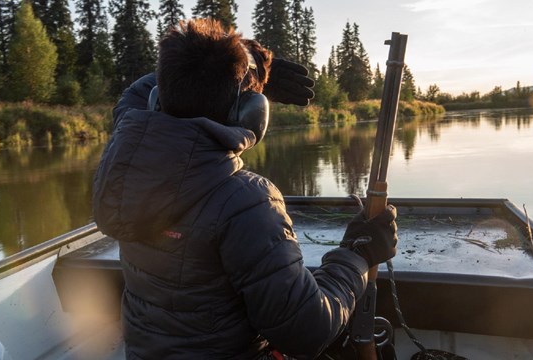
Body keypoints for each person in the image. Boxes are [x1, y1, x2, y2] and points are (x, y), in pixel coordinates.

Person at [92, 18, 398, 360]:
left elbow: (139, 94)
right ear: (253, 114)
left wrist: (244, 63)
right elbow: (309, 332)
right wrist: (357, 254)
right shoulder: (244, 200)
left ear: (156, 99)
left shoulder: (128, 167)